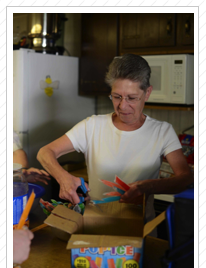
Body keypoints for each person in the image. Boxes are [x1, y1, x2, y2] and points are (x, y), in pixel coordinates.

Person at [37, 54, 193, 233]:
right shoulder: (92, 126)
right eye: (117, 96)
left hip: (141, 229)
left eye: (132, 98)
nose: (122, 106)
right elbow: (45, 152)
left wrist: (148, 186)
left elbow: (186, 178)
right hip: (96, 227)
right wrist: (63, 178)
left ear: (147, 93)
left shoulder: (162, 131)